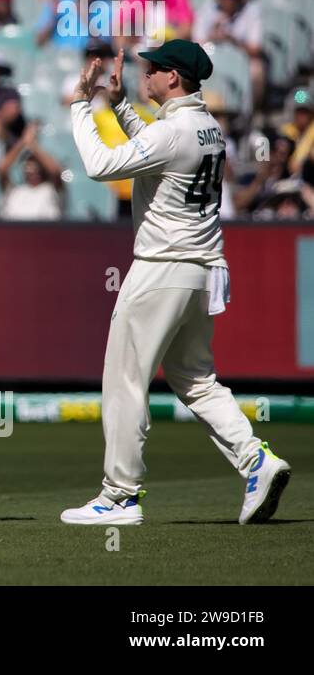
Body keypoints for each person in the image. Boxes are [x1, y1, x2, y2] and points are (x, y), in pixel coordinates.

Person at [64, 41, 291, 526]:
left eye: (154, 69)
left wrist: (82, 106)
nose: (146, 74)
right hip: (202, 270)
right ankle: (256, 461)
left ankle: (120, 496)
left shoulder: (176, 131)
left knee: (125, 380)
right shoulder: (206, 126)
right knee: (195, 380)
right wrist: (121, 103)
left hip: (161, 267)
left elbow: (101, 166)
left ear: (174, 78)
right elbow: (156, 146)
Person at [0, 124, 65, 220]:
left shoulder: (51, 190)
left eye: (37, 167)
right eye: (28, 167)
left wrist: (33, 145)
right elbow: (2, 170)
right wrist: (23, 142)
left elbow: (56, 171)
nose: (32, 171)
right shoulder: (14, 192)